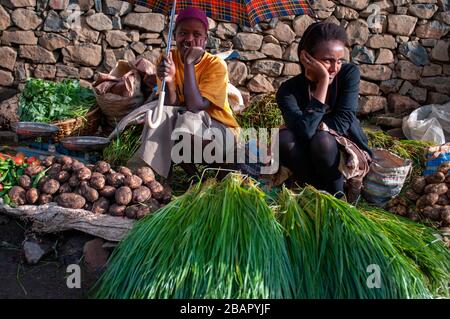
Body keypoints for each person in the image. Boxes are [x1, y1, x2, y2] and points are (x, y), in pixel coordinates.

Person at [133, 7, 240, 180]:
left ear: (205, 40)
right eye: (183, 33)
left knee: (187, 119)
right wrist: (169, 81)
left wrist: (189, 63)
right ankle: (181, 179)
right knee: (162, 118)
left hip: (220, 132)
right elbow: (169, 107)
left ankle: (225, 169)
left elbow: (196, 106)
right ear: (175, 36)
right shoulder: (167, 59)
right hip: (186, 128)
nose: (189, 39)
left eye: (197, 34)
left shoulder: (216, 65)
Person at [276, 22, 372, 200]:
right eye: (327, 60)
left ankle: (339, 197)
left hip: (342, 152)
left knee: (322, 140)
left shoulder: (349, 74)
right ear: (306, 57)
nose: (335, 68)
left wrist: (312, 127)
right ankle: (315, 190)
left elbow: (343, 120)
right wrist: (322, 82)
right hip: (306, 157)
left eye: (339, 60)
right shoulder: (288, 90)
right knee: (283, 139)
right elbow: (302, 133)